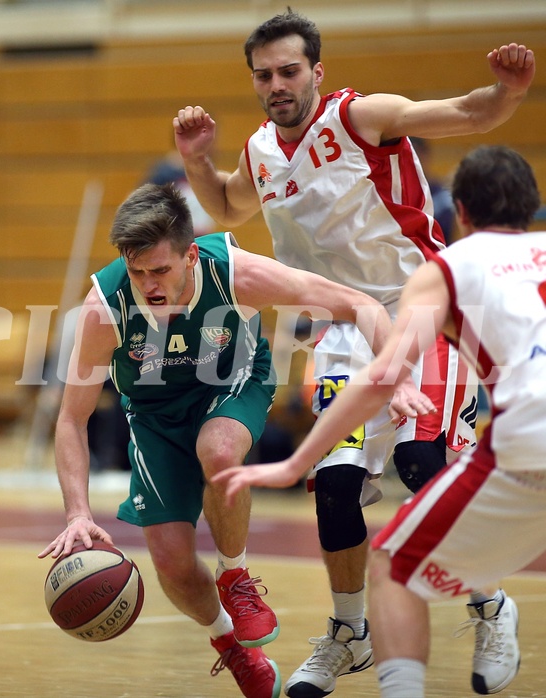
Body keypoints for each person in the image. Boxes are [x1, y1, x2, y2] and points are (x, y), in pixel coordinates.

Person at [173, 10, 535, 696]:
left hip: (424, 311)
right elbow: (228, 208)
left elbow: (465, 112)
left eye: (288, 70)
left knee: (420, 459)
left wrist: (508, 92)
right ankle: (350, 633)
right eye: (263, 75)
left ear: (317, 70)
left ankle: (490, 603)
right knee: (335, 488)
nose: (276, 84)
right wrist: (197, 158)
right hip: (342, 331)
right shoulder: (260, 150)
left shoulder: (362, 117)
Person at [37, 182, 422, 698]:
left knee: (218, 451)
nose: (148, 285)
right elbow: (71, 419)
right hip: (152, 413)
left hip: (232, 382)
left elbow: (359, 305)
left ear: (190, 256)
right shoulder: (104, 308)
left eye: (160, 270)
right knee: (172, 563)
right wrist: (78, 513)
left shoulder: (237, 273)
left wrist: (396, 378)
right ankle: (231, 645)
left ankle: (235, 577)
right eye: (137, 272)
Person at [410, 137, 456, 244]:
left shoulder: (445, 197)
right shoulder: (393, 197)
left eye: (417, 154)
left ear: (426, 155)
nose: (413, 161)